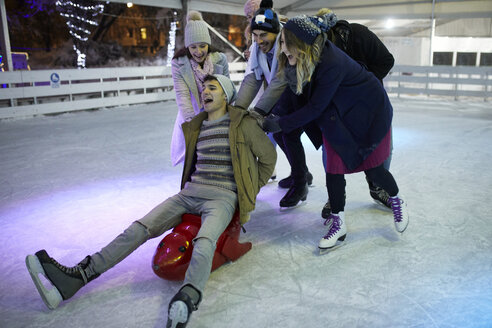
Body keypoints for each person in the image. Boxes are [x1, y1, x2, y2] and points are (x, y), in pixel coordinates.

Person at [25, 74, 277, 328]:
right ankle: (79, 275)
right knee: (138, 228)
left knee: (204, 241)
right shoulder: (197, 125)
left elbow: (268, 158)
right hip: (189, 194)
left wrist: (248, 191)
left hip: (222, 196)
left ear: (226, 95)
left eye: (213, 88)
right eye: (203, 88)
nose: (205, 92)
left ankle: (187, 298)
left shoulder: (241, 124)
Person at [262, 13, 409, 251]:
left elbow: (315, 106)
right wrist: (269, 114)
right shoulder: (301, 58)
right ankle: (338, 223)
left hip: (368, 113)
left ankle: (396, 198)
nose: (284, 52)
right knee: (333, 169)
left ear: (302, 44)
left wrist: (281, 123)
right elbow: (290, 90)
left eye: (288, 48)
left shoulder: (331, 62)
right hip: (337, 115)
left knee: (374, 170)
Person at [235, 0, 312, 208]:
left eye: (263, 35)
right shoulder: (257, 47)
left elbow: (280, 79)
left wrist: (259, 111)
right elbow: (253, 78)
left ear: (275, 33)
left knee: (287, 132)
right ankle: (302, 172)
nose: (259, 40)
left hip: (303, 93)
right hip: (283, 96)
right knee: (279, 133)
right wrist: (237, 110)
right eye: (255, 35)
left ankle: (300, 182)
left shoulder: (285, 42)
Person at [170, 11, 230, 166]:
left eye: (202, 46)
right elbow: (182, 94)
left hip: (217, 110)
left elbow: (226, 88)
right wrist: (192, 124)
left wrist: (225, 116)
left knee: (217, 150)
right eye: (193, 47)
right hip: (192, 111)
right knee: (193, 153)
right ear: (187, 47)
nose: (198, 52)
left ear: (208, 43)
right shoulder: (179, 63)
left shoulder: (220, 59)